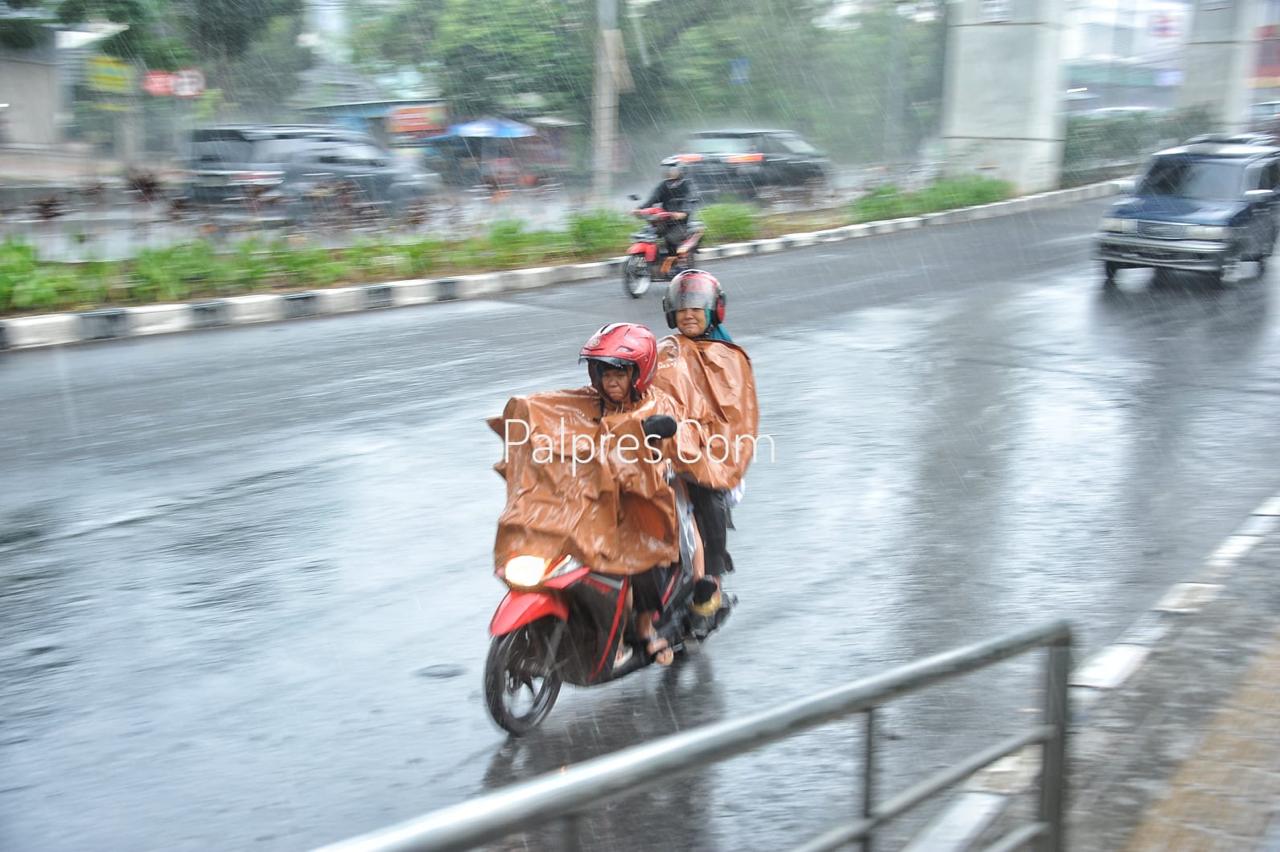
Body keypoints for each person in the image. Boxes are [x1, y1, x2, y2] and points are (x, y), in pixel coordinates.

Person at [580, 322, 698, 667]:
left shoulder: (655, 405)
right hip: (599, 498)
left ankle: (645, 628)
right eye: (604, 374)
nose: (611, 382)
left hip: (645, 502)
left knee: (644, 560)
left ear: (639, 374)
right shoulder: (589, 404)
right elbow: (555, 417)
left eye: (620, 374)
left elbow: (671, 445)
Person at [653, 270, 757, 617]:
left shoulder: (730, 358)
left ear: (715, 310)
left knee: (704, 492)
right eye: (681, 308)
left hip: (712, 453)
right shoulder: (665, 351)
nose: (688, 314)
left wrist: (698, 447)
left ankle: (711, 578)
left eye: (697, 307)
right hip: (666, 446)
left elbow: (733, 418)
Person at [634, 165, 701, 276]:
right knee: (647, 235)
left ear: (680, 170)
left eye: (673, 169)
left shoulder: (688, 185)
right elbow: (653, 199)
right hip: (664, 219)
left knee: (671, 239)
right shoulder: (664, 185)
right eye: (668, 170)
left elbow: (691, 199)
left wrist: (683, 212)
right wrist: (640, 209)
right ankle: (650, 262)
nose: (670, 172)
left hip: (681, 222)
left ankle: (677, 265)